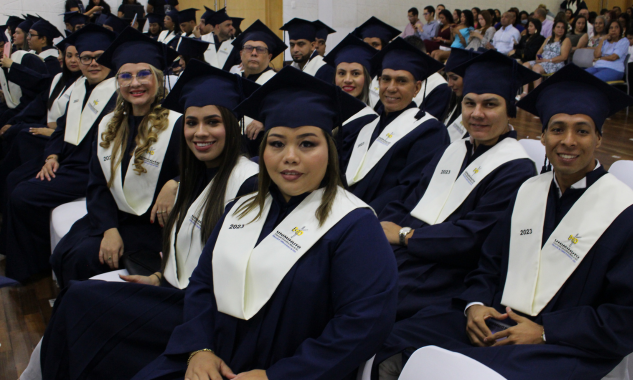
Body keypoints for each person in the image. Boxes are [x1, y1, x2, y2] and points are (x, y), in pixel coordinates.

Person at [379, 63, 633, 380]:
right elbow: (488, 265)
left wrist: (546, 331)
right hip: (497, 319)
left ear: (600, 139)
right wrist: (475, 306)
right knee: (394, 341)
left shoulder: (627, 215)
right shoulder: (529, 192)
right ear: (544, 136)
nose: (569, 141)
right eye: (558, 129)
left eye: (582, 130)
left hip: (566, 344)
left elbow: (629, 316)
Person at [130, 65, 398, 380]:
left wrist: (277, 376)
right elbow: (203, 284)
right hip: (213, 360)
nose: (290, 156)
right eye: (277, 143)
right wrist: (198, 349)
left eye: (307, 144)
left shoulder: (354, 225)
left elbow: (363, 325)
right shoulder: (241, 209)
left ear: (331, 151)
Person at [35, 59, 260, 380]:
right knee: (74, 295)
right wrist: (158, 277)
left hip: (207, 317)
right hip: (178, 291)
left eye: (212, 122)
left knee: (80, 306)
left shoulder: (245, 183)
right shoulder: (198, 174)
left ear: (232, 123)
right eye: (192, 122)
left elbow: (236, 278)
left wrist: (201, 344)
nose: (200, 133)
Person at [372, 50, 539, 380]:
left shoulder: (516, 168)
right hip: (408, 254)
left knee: (368, 305)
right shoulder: (455, 147)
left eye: (490, 104)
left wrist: (405, 236)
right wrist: (380, 228)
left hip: (446, 273)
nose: (477, 114)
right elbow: (409, 197)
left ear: (510, 109)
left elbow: (474, 237)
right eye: (469, 103)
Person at [48, 28, 180, 286]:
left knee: (83, 257)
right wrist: (109, 229)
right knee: (66, 253)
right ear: (117, 82)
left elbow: (199, 172)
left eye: (144, 74)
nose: (135, 83)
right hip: (112, 216)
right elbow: (97, 183)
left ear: (158, 78)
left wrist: (175, 183)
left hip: (153, 227)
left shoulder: (177, 124)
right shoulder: (109, 124)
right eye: (126, 76)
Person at [1, 24, 117, 283]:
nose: (91, 63)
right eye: (86, 58)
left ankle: (28, 269)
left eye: (99, 56)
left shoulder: (119, 94)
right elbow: (60, 131)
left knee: (24, 194)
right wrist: (51, 157)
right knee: (14, 180)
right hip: (65, 161)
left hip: (89, 171)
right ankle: (16, 254)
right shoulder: (79, 88)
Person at [344, 37, 449, 215]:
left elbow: (410, 190)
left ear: (417, 88)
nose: (391, 88)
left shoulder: (430, 131)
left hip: (379, 221)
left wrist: (360, 216)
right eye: (386, 79)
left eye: (401, 81)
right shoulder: (368, 126)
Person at [0, 41, 81, 203]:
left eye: (78, 56)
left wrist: (52, 133)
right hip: (50, 136)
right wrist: (15, 122)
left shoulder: (86, 85)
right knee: (14, 134)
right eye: (68, 55)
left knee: (23, 137)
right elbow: (38, 105)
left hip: (64, 145)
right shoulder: (59, 79)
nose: (71, 60)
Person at [324, 33, 380, 171]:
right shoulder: (324, 112)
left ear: (367, 79)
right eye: (341, 73)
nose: (347, 79)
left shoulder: (369, 121)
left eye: (356, 73)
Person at [231, 20, 287, 156]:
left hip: (261, 152)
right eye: (249, 48)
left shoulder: (278, 83)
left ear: (269, 57)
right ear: (241, 54)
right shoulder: (232, 81)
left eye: (260, 49)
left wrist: (266, 120)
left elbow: (290, 113)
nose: (254, 53)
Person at [403, 36, 452, 120]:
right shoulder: (397, 80)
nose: (409, 65)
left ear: (427, 57)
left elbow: (429, 124)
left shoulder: (440, 87)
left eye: (414, 60)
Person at [522, 20, 571, 97]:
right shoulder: (548, 38)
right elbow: (539, 52)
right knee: (525, 65)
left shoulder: (566, 40)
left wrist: (548, 60)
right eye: (558, 27)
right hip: (543, 61)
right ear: (554, 29)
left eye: (562, 28)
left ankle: (536, 93)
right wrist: (539, 58)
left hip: (555, 63)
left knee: (536, 67)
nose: (560, 29)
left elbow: (564, 57)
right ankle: (524, 92)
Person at [440, 48, 480, 141]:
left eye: (454, 78)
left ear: (469, 78)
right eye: (448, 78)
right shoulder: (455, 102)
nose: (449, 84)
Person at [280, 18, 334, 82]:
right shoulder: (289, 70)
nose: (295, 49)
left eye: (301, 44)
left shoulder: (325, 70)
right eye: (292, 45)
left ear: (313, 46)